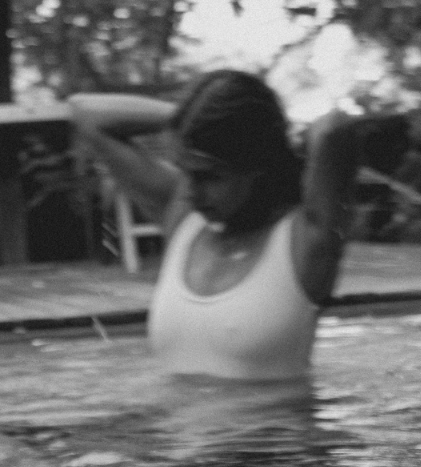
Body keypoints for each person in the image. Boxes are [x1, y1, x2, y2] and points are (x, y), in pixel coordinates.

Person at [68, 70, 365, 380]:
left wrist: (250, 128)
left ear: (255, 167)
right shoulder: (185, 223)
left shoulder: (307, 244)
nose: (192, 193)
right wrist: (190, 119)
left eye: (209, 176)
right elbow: (85, 113)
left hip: (275, 430)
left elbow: (335, 130)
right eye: (186, 172)